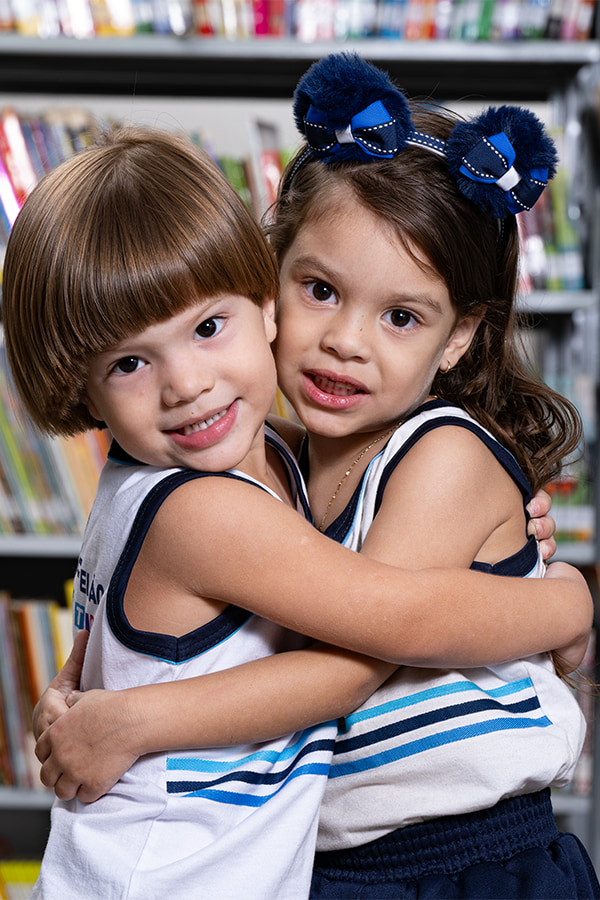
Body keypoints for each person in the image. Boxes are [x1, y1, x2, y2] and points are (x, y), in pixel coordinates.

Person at [5, 123, 590, 900]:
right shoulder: (254, 463)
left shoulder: (428, 454)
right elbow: (377, 634)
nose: (345, 341)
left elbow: (392, 631)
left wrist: (569, 601)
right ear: (272, 284)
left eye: (401, 317)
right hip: (304, 864)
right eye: (321, 291)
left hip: (456, 861)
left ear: (459, 338)